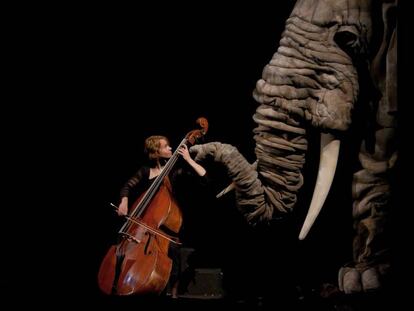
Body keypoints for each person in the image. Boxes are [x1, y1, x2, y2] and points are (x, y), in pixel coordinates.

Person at [116, 135, 207, 298]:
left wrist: (188, 159)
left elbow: (204, 178)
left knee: (173, 251)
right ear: (155, 152)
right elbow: (127, 186)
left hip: (168, 226)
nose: (170, 149)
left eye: (170, 146)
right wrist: (124, 202)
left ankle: (173, 293)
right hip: (144, 225)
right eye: (166, 147)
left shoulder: (175, 171)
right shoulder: (146, 171)